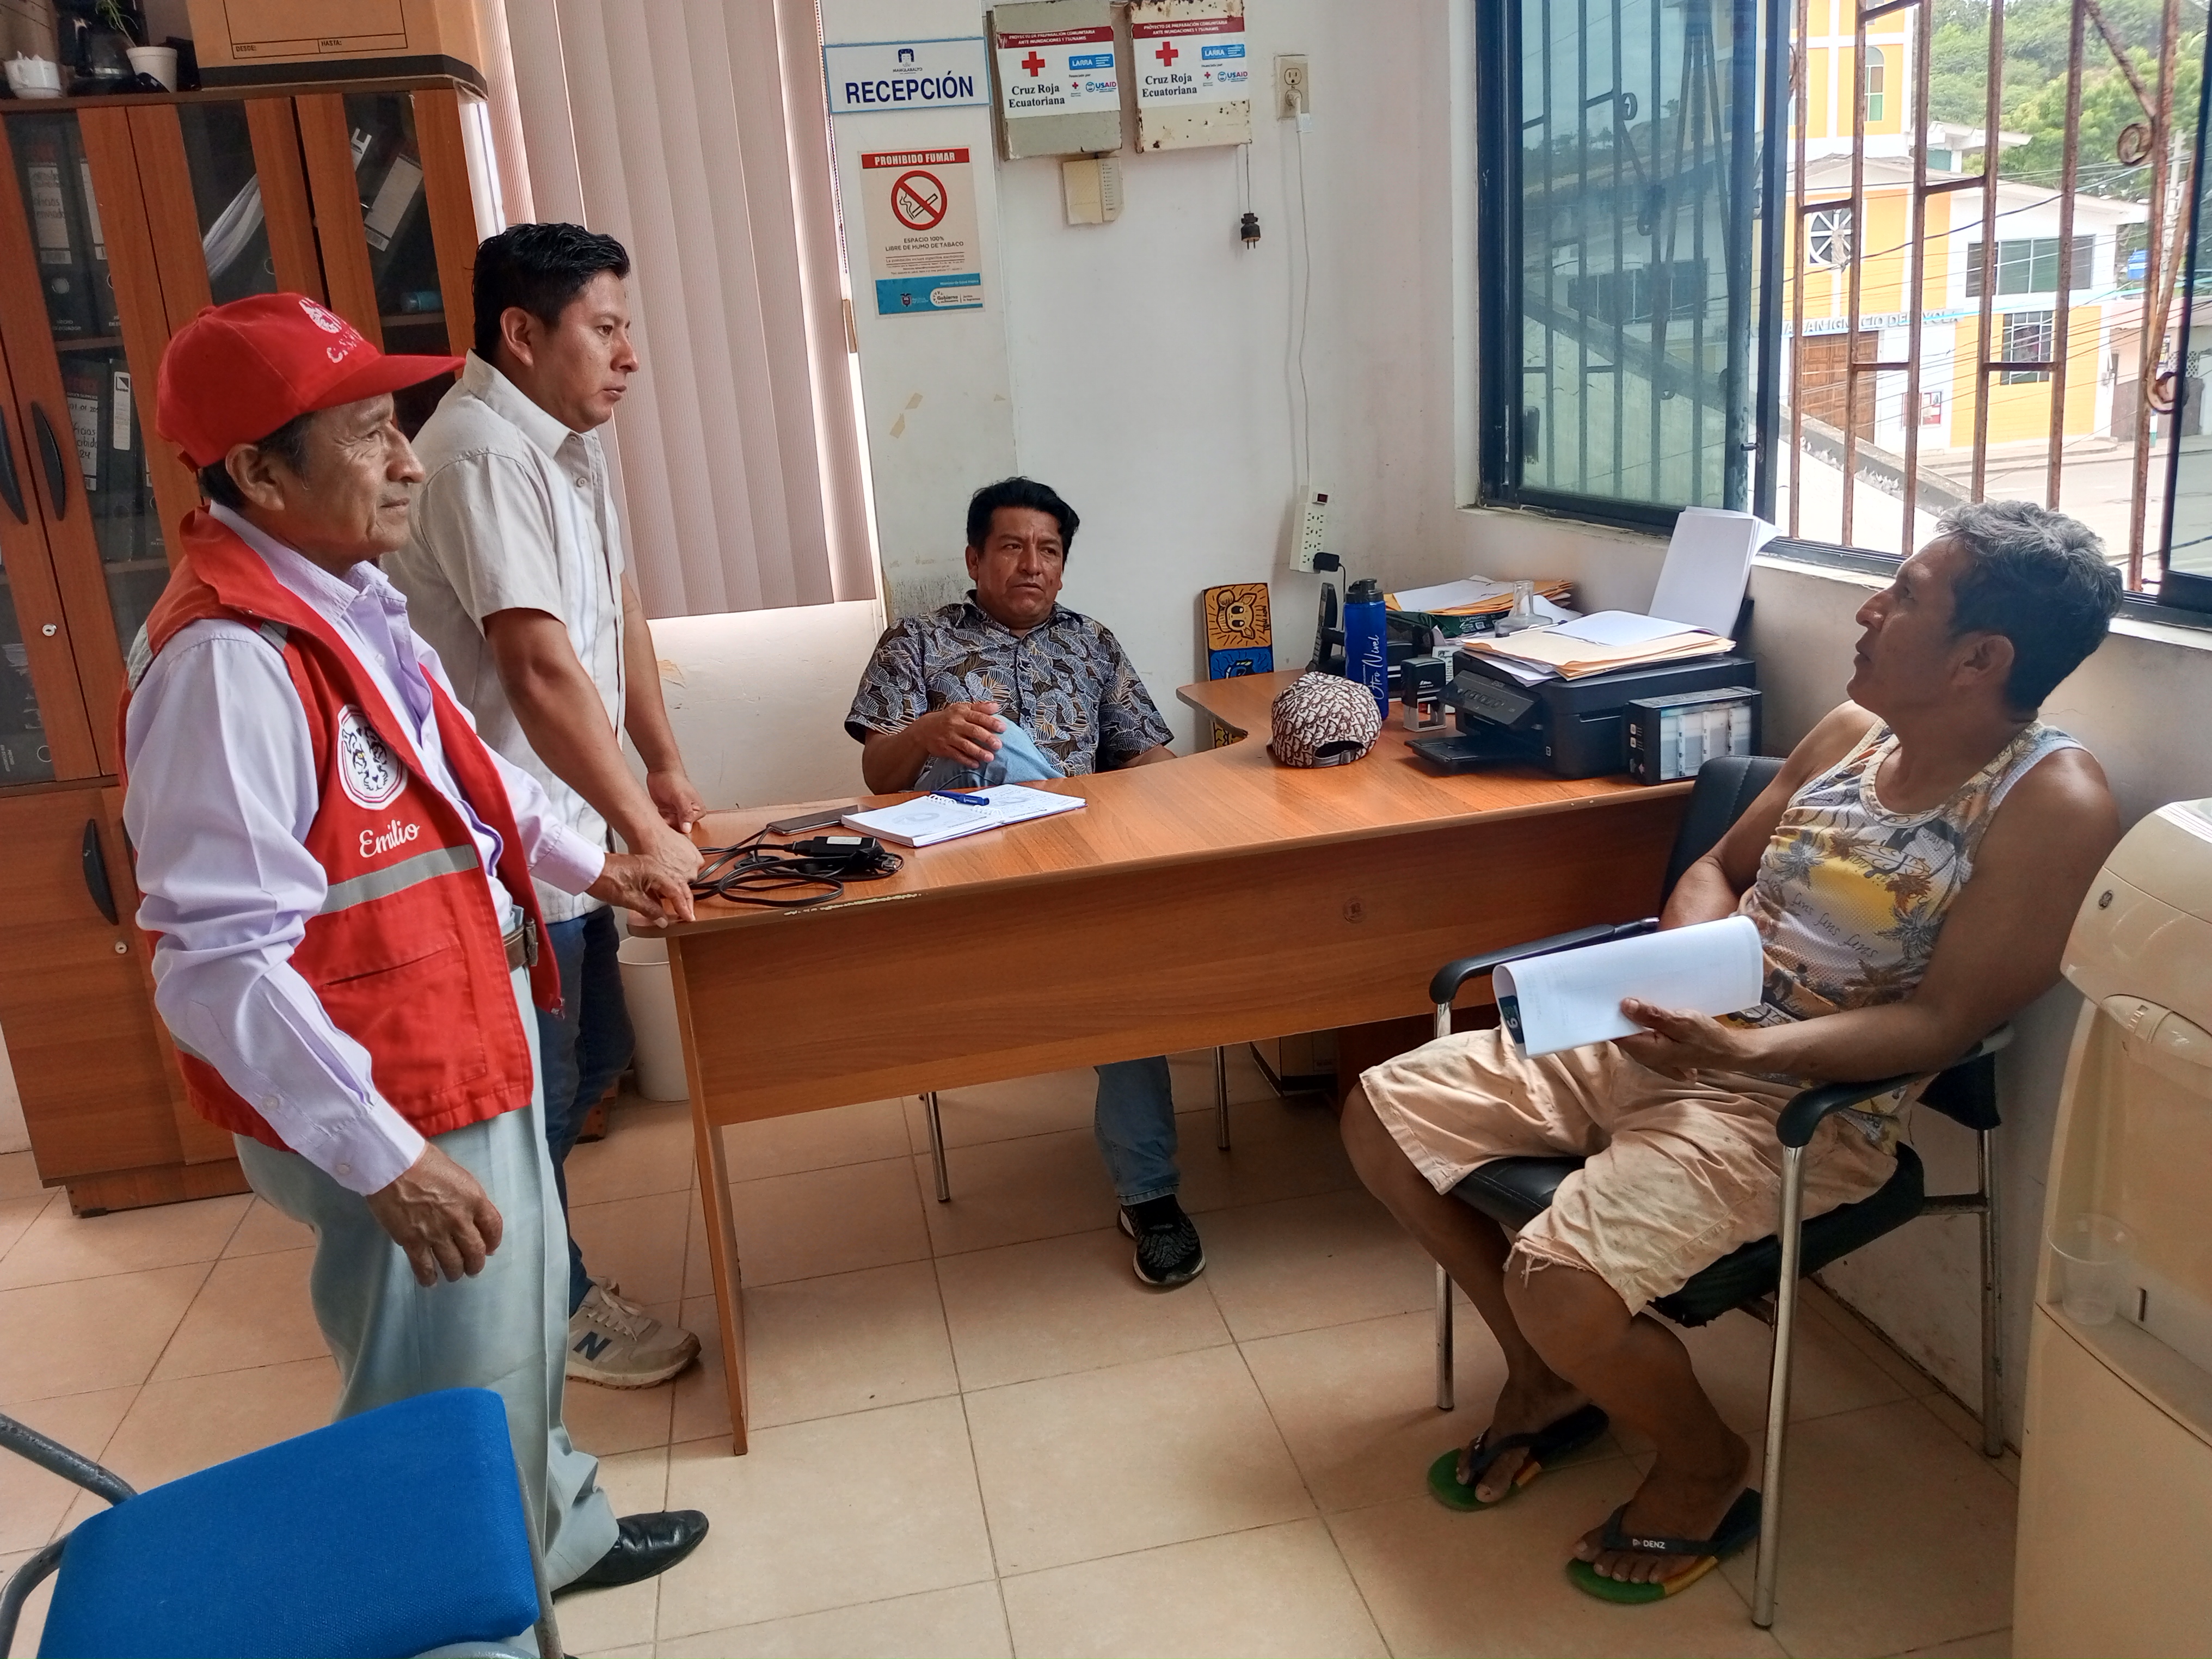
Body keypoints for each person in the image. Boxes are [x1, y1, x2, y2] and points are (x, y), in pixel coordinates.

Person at [1342, 502, 2123, 1603]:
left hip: (1797, 1105)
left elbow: (1944, 1025)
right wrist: (1681, 985)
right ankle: (1544, 1379)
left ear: (1979, 660)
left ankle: (1704, 1462)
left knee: (1560, 1283)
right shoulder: (1855, 729)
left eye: (1905, 596)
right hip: (1670, 1034)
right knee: (1379, 1114)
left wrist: (1746, 1055)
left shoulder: (2049, 804)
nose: (1870, 609)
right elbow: (1717, 868)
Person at [123, 293, 709, 1622]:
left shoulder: (346, 603)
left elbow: (467, 778)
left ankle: (549, 1543)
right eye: (371, 438)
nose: (411, 465)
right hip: (386, 1090)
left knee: (515, 1339)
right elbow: (216, 966)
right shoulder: (230, 662)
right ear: (260, 473)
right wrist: (383, 1156)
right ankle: (443, 1625)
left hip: (458, 1040)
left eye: (401, 428)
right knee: (434, 1395)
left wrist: (595, 863)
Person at [385, 223, 705, 1390]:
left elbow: (614, 616)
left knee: (586, 1067)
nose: (630, 356)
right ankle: (543, 1311)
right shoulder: (479, 453)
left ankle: (536, 1280)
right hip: (504, 853)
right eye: (605, 329)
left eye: (628, 328)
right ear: (521, 334)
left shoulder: (565, 442)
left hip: (571, 838)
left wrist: (659, 767)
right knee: (532, 1100)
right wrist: (645, 833)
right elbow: (534, 667)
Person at [845, 477, 1201, 1286]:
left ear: (1064, 567)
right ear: (975, 559)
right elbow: (876, 773)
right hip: (959, 872)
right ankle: (1050, 815)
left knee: (1122, 987)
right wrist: (929, 731)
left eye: (1048, 550)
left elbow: (1145, 757)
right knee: (994, 741)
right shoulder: (918, 641)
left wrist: (1206, 809)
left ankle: (1150, 1199)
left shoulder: (1092, 642)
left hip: (1075, 881)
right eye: (1012, 547)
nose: (1032, 565)